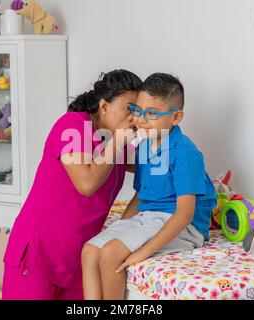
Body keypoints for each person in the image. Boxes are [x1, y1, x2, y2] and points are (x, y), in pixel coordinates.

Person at [2, 69, 142, 299]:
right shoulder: (72, 126)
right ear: (104, 106)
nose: (134, 118)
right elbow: (86, 184)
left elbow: (155, 169)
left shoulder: (117, 142)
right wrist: (117, 142)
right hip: (39, 254)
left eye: (138, 111)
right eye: (129, 108)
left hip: (75, 262)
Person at [82, 73, 217, 300]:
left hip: (185, 226)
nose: (141, 119)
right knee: (89, 251)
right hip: (149, 216)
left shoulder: (184, 151)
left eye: (151, 114)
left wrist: (143, 252)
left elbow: (185, 214)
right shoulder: (144, 147)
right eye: (138, 111)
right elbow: (140, 197)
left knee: (111, 253)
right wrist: (121, 228)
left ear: (176, 117)